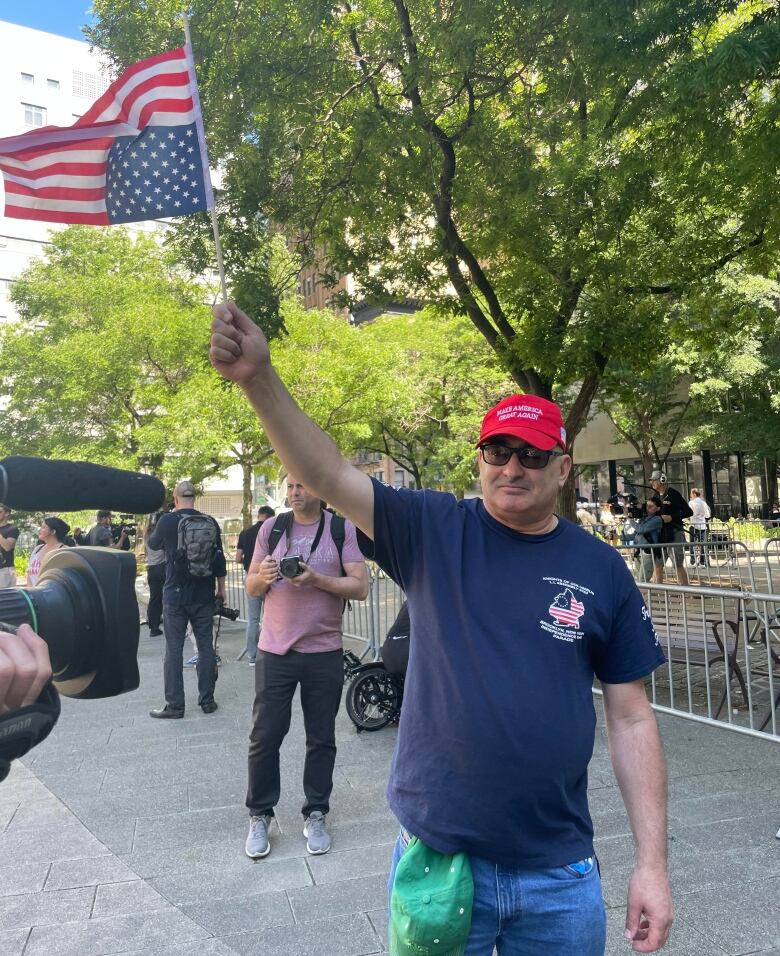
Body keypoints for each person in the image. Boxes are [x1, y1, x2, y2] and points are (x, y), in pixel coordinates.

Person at [210, 301, 674, 954]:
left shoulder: (601, 569)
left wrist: (652, 865)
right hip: (440, 859)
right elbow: (327, 474)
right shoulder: (433, 529)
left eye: (533, 456)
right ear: (480, 457)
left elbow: (631, 718)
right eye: (498, 450)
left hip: (558, 874)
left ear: (563, 468)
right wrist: (259, 379)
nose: (512, 467)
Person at [243, 478, 368, 858]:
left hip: (324, 651)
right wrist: (262, 578)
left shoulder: (340, 528)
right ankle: (260, 814)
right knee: (265, 736)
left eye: (303, 484)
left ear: (319, 487)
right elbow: (250, 585)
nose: (296, 491)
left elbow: (360, 587)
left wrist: (316, 579)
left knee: (321, 737)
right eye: (291, 485)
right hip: (274, 652)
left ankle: (316, 812)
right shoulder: (271, 528)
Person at [147, 480, 226, 719]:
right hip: (203, 594)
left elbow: (153, 545)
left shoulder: (168, 521)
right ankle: (207, 701)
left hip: (175, 595)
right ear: (195, 498)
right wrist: (221, 589)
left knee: (174, 649)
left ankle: (175, 706)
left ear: (175, 497)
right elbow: (219, 559)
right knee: (205, 647)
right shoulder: (210, 522)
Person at [236, 505, 276, 664]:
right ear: (270, 517)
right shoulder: (273, 531)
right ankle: (269, 651)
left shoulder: (245, 532)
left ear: (259, 515)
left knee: (252, 619)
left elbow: (238, 558)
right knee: (271, 616)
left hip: (251, 578)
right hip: (270, 577)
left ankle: (252, 656)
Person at [649, 471, 691, 585]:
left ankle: (685, 592)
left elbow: (688, 511)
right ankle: (658, 593)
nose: (651, 482)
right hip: (661, 535)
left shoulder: (674, 494)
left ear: (662, 480)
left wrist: (672, 517)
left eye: (654, 480)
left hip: (674, 533)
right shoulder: (655, 496)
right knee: (658, 565)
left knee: (678, 564)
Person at [26, 517, 70, 586]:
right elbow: (29, 573)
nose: (39, 530)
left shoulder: (64, 551)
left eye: (43, 527)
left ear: (53, 531)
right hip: (35, 593)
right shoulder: (38, 549)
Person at [144, 515, 166, 637]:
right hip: (161, 567)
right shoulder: (159, 537)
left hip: (151, 568)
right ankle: (156, 625)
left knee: (154, 598)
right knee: (163, 598)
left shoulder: (147, 536)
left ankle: (153, 624)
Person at [634, 496, 664, 582]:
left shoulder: (657, 519)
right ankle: (642, 595)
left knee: (643, 580)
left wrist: (630, 520)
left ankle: (644, 595)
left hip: (648, 552)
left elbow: (641, 529)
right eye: (647, 506)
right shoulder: (643, 518)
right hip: (639, 551)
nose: (647, 508)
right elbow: (637, 534)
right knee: (639, 580)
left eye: (651, 506)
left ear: (658, 508)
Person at [688, 488, 711, 567]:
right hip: (703, 525)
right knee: (703, 545)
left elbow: (689, 513)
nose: (690, 495)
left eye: (691, 494)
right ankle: (702, 562)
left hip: (693, 525)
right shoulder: (704, 503)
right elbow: (708, 515)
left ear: (694, 494)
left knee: (692, 544)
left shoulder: (691, 503)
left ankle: (693, 561)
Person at [0, 504, 19, 588]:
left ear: (7, 513)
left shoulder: (12, 529)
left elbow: (7, 547)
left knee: (3, 600)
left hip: (4, 570)